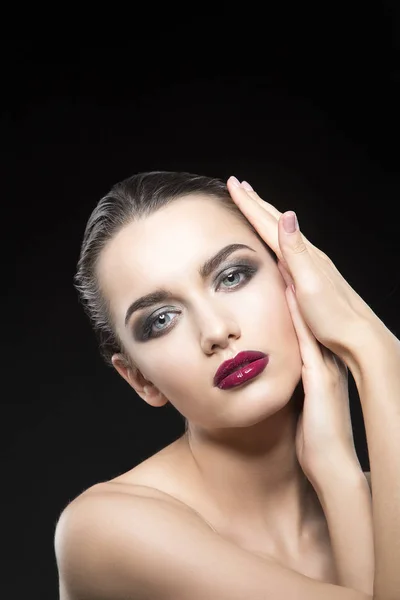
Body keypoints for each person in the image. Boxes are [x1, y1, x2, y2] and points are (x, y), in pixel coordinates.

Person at [54, 171, 400, 600]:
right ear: (140, 379)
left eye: (232, 276)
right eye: (161, 319)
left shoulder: (386, 496)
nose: (216, 330)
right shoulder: (109, 527)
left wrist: (339, 478)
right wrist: (376, 353)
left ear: (295, 275)